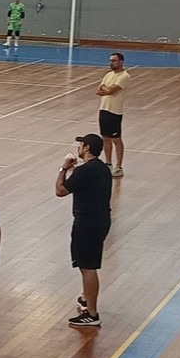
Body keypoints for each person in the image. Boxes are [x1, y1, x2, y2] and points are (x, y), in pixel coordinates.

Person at [56, 133, 114, 328]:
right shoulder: (103, 169)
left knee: (88, 267)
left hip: (87, 222)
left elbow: (60, 191)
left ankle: (92, 313)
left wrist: (63, 169)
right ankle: (86, 299)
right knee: (85, 265)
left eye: (81, 144)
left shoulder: (84, 171)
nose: (78, 147)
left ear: (87, 148)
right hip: (101, 219)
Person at [96, 53, 130, 177]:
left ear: (121, 62)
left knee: (116, 139)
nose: (111, 63)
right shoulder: (108, 75)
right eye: (110, 60)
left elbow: (110, 90)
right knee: (105, 137)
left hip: (115, 111)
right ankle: (108, 163)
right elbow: (98, 91)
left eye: (114, 61)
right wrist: (107, 89)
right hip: (104, 109)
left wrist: (106, 89)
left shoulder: (124, 76)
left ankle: (119, 166)